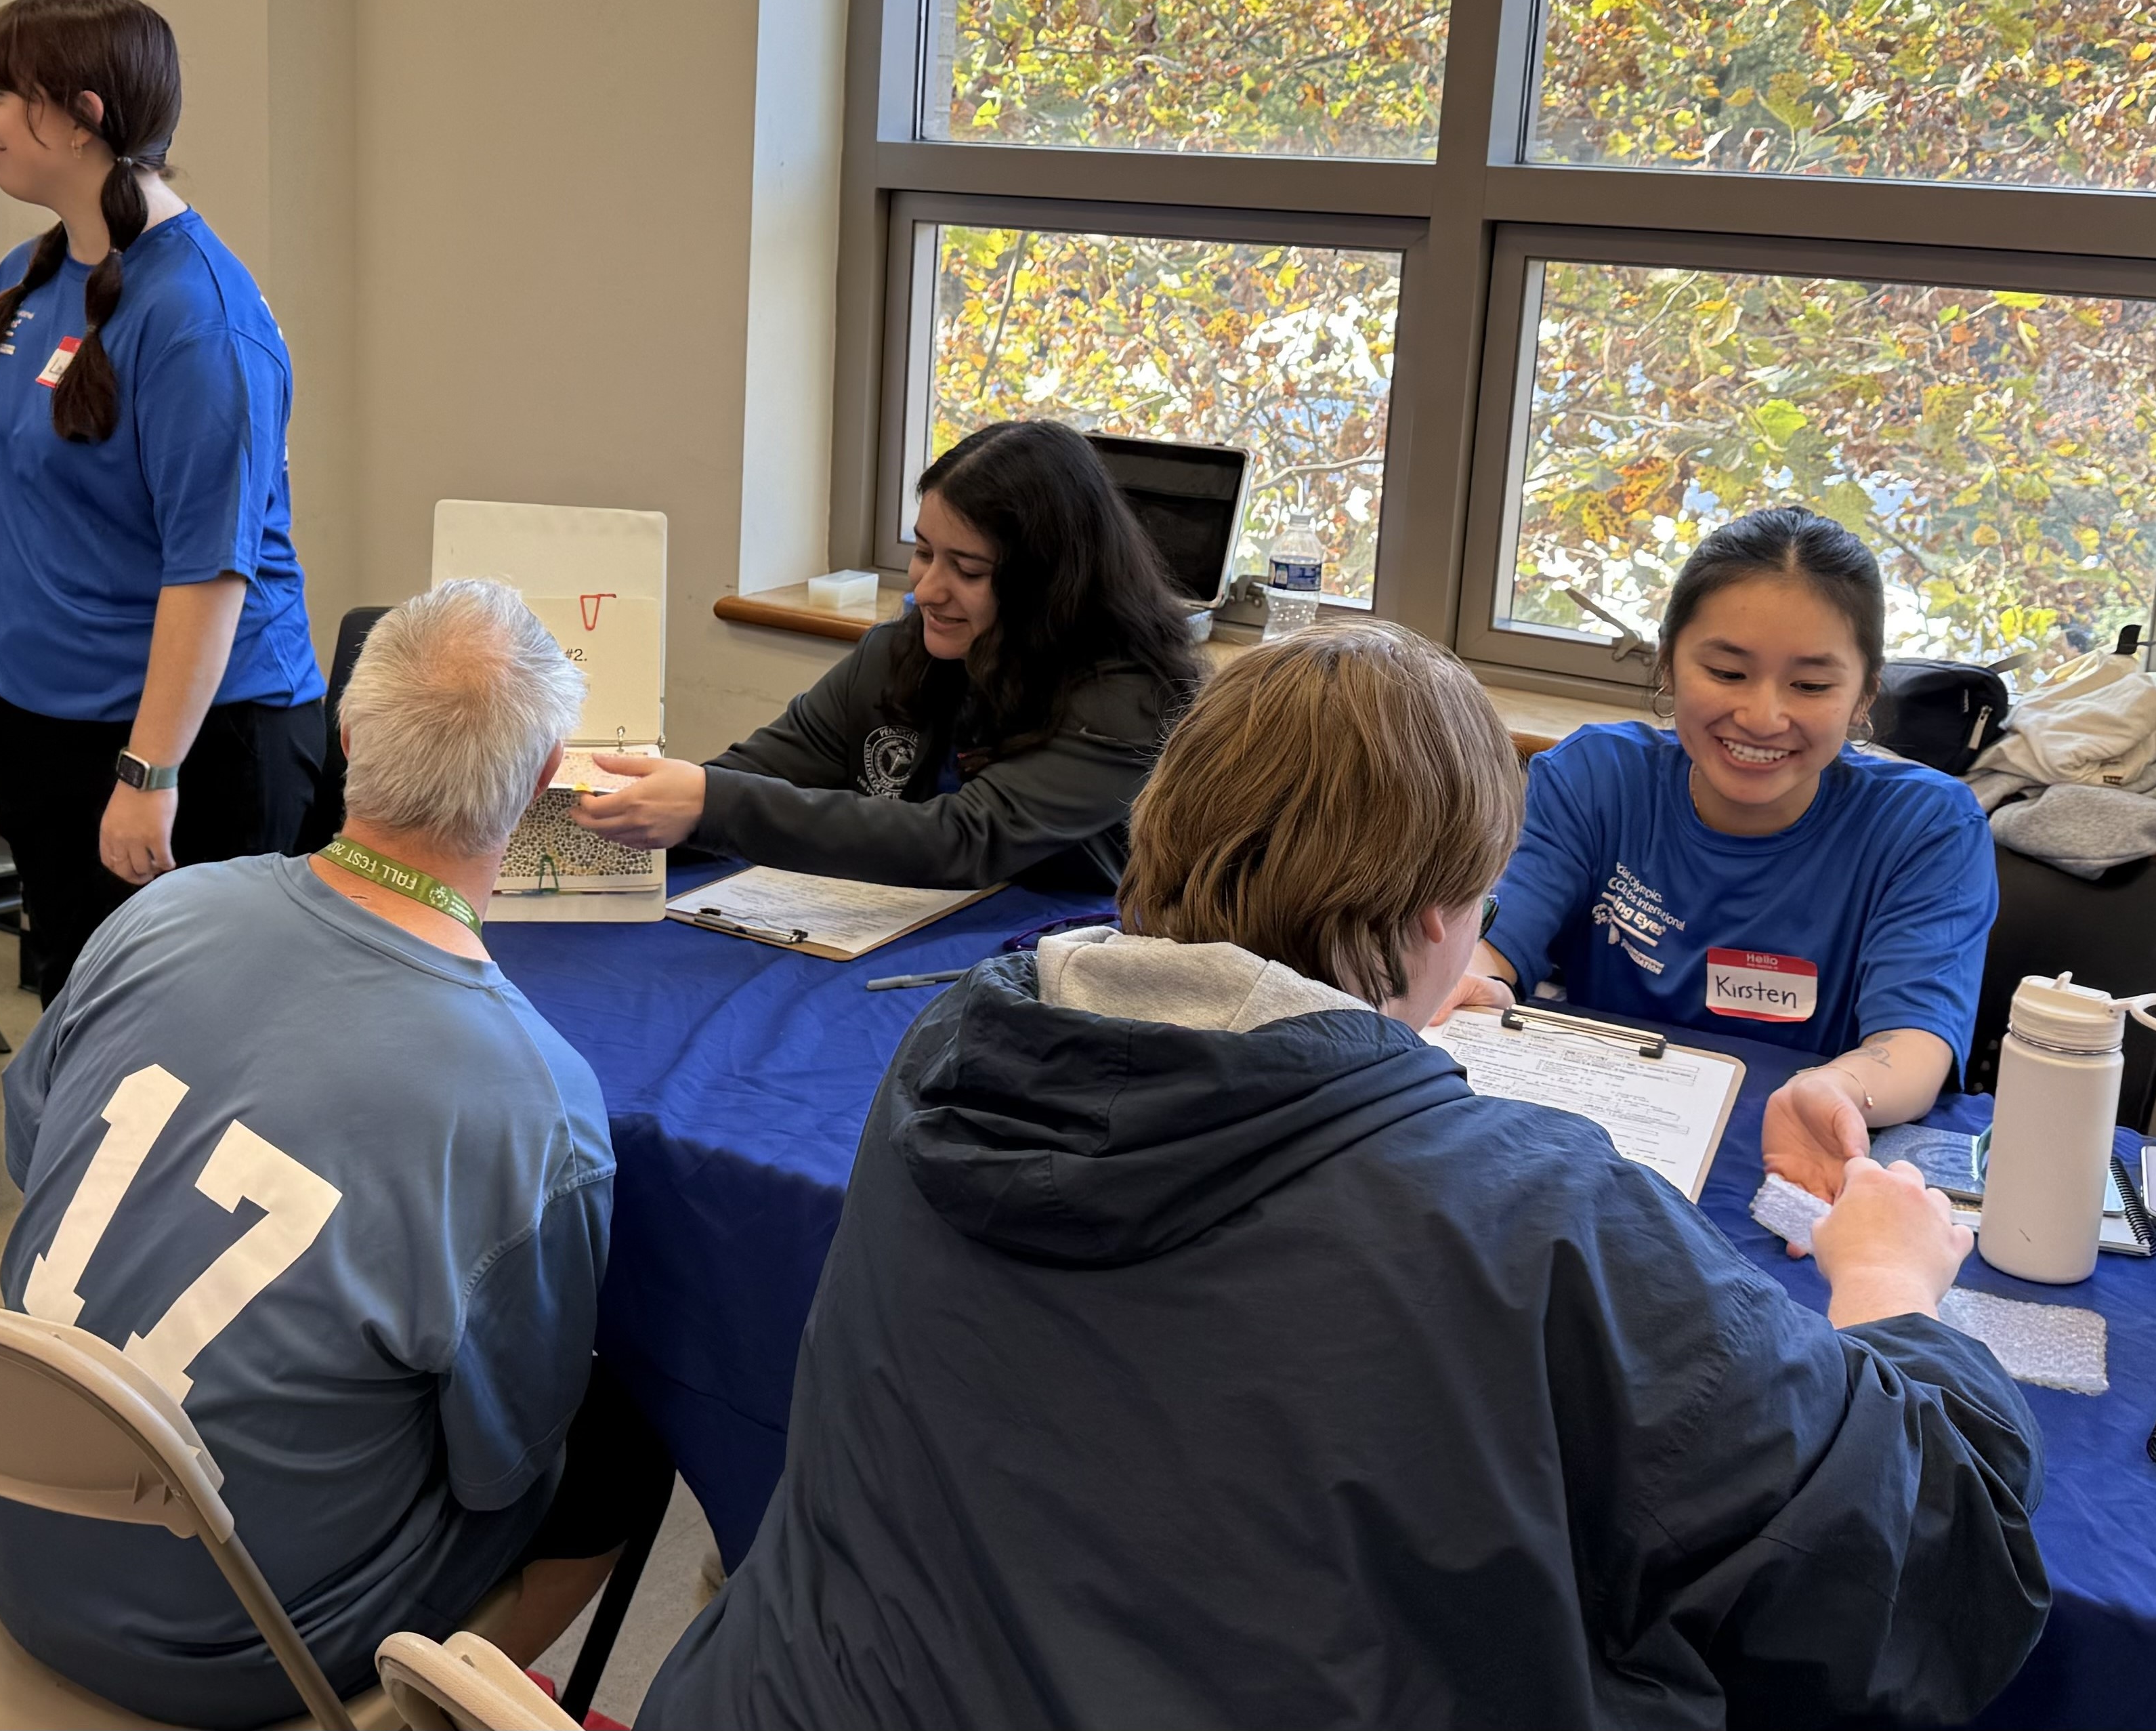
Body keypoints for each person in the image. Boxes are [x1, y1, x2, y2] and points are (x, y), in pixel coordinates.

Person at [639, 623, 2049, 1731]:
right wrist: (1888, 1286)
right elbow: (1929, 1567)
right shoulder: (1534, 1216)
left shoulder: (956, 1049)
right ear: (1441, 923)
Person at [0, 579, 673, 1728]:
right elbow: (502, 1461)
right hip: (233, 1655)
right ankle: (427, 1704)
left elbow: (31, 1145)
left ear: (347, 733)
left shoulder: (159, 913)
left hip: (14, 1537)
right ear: (545, 777)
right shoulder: (536, 1101)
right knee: (624, 1445)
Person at [0, 0, 322, 1001]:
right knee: (79, 1014)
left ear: (82, 117)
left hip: (196, 743)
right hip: (43, 723)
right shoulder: (25, 275)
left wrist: (149, 771)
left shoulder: (199, 320)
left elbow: (209, 572)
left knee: (192, 1039)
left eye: (3, 93)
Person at [1441, 507, 1999, 1200]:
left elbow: (1913, 1043)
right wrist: (1468, 984)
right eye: (1728, 671)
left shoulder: (1926, 825)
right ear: (1668, 661)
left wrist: (1837, 1088)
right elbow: (1494, 945)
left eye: (1811, 685)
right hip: (1598, 1155)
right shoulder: (1593, 776)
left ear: (1865, 694)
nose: (1762, 717)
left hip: (1794, 1154)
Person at [572, 419, 1198, 889]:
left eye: (969, 570)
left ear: (1049, 584)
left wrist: (712, 804)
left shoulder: (1130, 701)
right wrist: (608, 808)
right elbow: (761, 772)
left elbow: (963, 839)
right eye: (923, 552)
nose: (926, 590)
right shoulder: (897, 653)